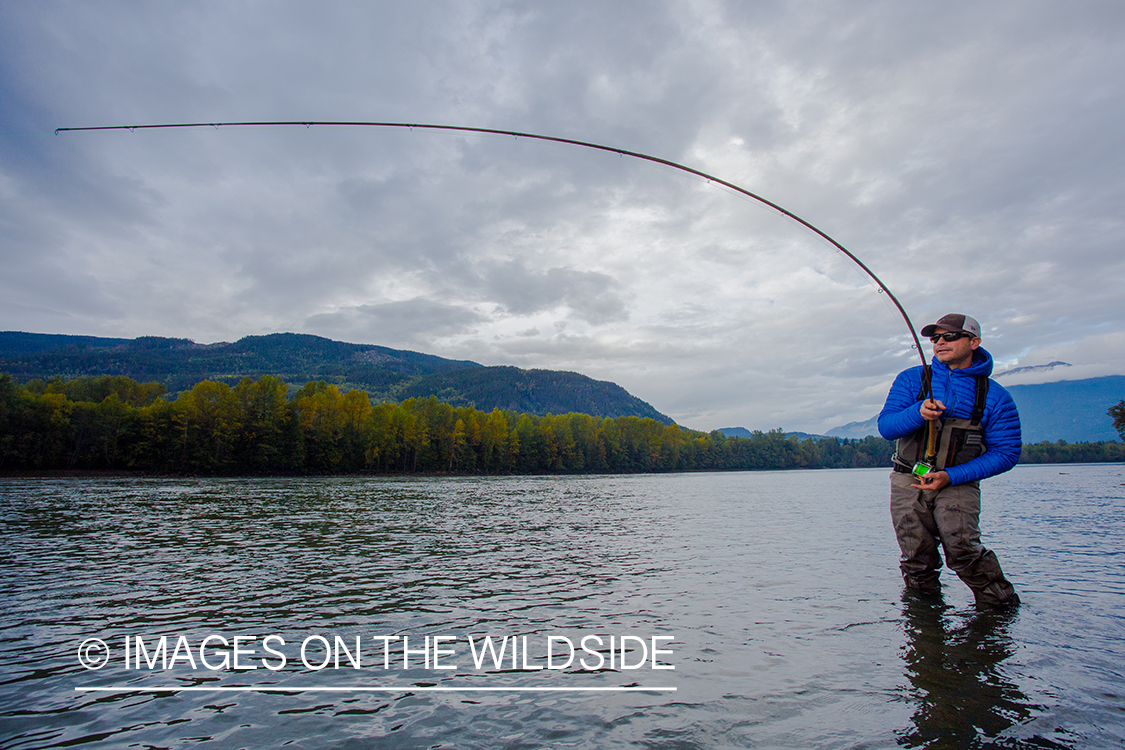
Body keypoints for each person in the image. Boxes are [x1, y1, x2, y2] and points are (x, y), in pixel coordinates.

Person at [878, 313, 1021, 606]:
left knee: (964, 551)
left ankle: (1000, 610)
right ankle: (924, 618)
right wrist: (918, 412)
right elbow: (887, 427)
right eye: (936, 338)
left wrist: (950, 476)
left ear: (974, 342)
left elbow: (1007, 453)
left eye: (950, 336)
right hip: (908, 480)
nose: (940, 342)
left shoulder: (995, 396)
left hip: (958, 483)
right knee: (916, 558)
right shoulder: (911, 379)